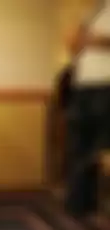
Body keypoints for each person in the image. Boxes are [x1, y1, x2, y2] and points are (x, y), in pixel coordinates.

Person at [64, 20, 110, 218]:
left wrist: (93, 40)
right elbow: (73, 43)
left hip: (106, 85)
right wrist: (77, 41)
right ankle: (80, 202)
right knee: (80, 146)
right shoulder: (92, 12)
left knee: (104, 147)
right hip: (83, 85)